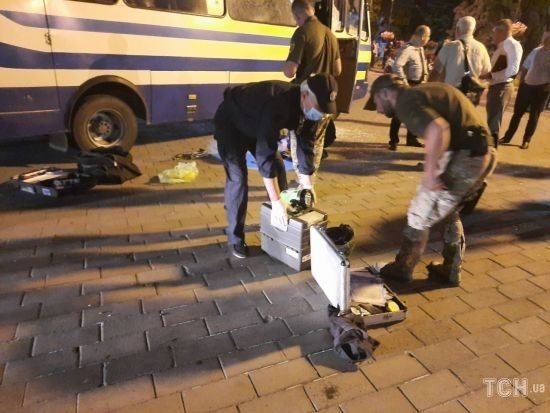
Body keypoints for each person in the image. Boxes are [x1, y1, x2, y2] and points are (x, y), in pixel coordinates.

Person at [364, 75, 497, 286]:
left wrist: (430, 174)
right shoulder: (426, 92)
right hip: (482, 152)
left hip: (466, 157)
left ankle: (403, 267)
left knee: (420, 212)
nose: (379, 110)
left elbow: (438, 129)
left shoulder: (406, 101)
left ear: (386, 93)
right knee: (448, 212)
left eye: (377, 102)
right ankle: (450, 268)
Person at [214, 74, 338, 259]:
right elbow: (265, 154)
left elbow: (306, 144)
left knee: (279, 167)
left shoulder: (310, 109)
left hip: (257, 125)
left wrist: (307, 184)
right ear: (304, 95)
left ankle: (280, 224)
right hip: (231, 123)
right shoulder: (278, 103)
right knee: (238, 178)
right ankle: (235, 238)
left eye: (324, 109)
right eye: (319, 107)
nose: (320, 113)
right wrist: (276, 201)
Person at [283, 0, 342, 156]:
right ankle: (314, 158)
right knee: (316, 139)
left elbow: (290, 71)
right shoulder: (331, 34)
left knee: (301, 142)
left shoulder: (302, 33)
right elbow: (338, 70)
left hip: (307, 96)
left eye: (295, 18)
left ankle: (303, 163)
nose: (296, 22)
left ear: (298, 14)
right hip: (324, 96)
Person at [499, 31, 550, 149]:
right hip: (527, 85)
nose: (546, 40)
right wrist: (522, 81)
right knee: (517, 114)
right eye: (546, 38)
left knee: (534, 115)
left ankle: (526, 140)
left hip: (542, 88)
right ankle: (507, 137)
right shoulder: (536, 51)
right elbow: (525, 66)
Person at [429, 16, 491, 106]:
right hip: (470, 97)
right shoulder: (481, 48)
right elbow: (486, 72)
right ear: (473, 30)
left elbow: (435, 72)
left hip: (451, 95)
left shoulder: (449, 47)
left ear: (457, 29)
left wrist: (427, 91)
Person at [388, 25, 431, 150]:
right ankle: (393, 140)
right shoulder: (408, 49)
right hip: (409, 85)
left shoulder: (419, 49)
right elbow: (397, 66)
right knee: (399, 114)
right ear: (423, 37)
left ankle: (411, 138)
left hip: (419, 85)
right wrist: (404, 82)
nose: (428, 39)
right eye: (428, 36)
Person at [482, 19, 523, 148]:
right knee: (492, 121)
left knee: (493, 123)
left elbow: (513, 70)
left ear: (502, 31)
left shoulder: (512, 45)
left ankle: (491, 151)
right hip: (497, 86)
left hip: (502, 87)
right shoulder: (504, 45)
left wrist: (491, 75)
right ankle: (489, 150)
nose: (493, 34)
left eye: (494, 31)